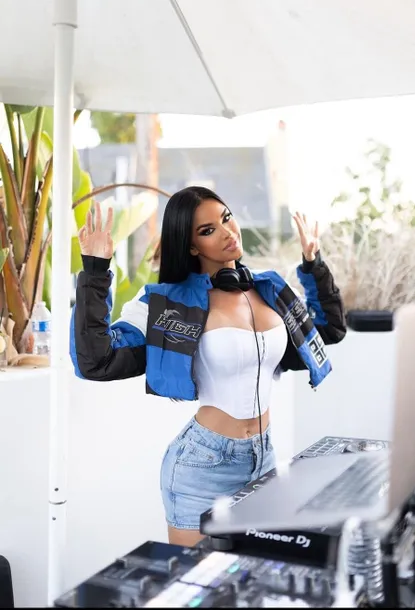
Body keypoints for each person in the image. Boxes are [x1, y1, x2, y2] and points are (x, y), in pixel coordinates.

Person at [70, 187, 346, 547]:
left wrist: (313, 264)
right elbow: (96, 361)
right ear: (191, 247)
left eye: (226, 218)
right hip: (202, 465)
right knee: (197, 579)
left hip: (264, 456)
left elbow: (327, 330)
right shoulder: (166, 303)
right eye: (208, 230)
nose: (227, 232)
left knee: (256, 573)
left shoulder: (270, 289)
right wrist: (95, 270)